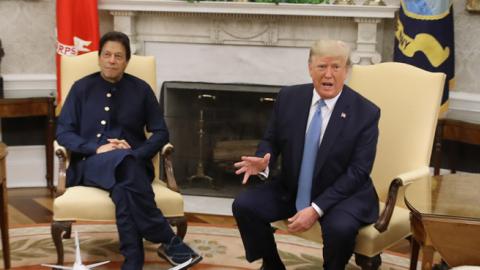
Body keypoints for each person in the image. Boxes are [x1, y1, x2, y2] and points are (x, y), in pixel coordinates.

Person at [56, 31, 202, 270]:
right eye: (107, 55)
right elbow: (63, 133)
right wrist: (97, 148)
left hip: (133, 162)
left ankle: (133, 263)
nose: (111, 60)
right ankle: (166, 237)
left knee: (124, 191)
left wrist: (136, 152)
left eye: (118, 56)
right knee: (124, 168)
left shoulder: (141, 89)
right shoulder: (81, 88)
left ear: (126, 60)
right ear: (99, 57)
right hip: (90, 164)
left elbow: (161, 132)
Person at [232, 40, 380, 270]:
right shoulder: (289, 97)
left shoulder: (366, 113)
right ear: (310, 68)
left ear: (347, 70)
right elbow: (271, 139)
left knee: (340, 229)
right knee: (244, 205)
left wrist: (316, 208)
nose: (328, 74)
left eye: (336, 67)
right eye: (322, 67)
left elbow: (358, 172)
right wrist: (264, 161)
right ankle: (271, 264)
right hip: (293, 187)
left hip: (341, 195)